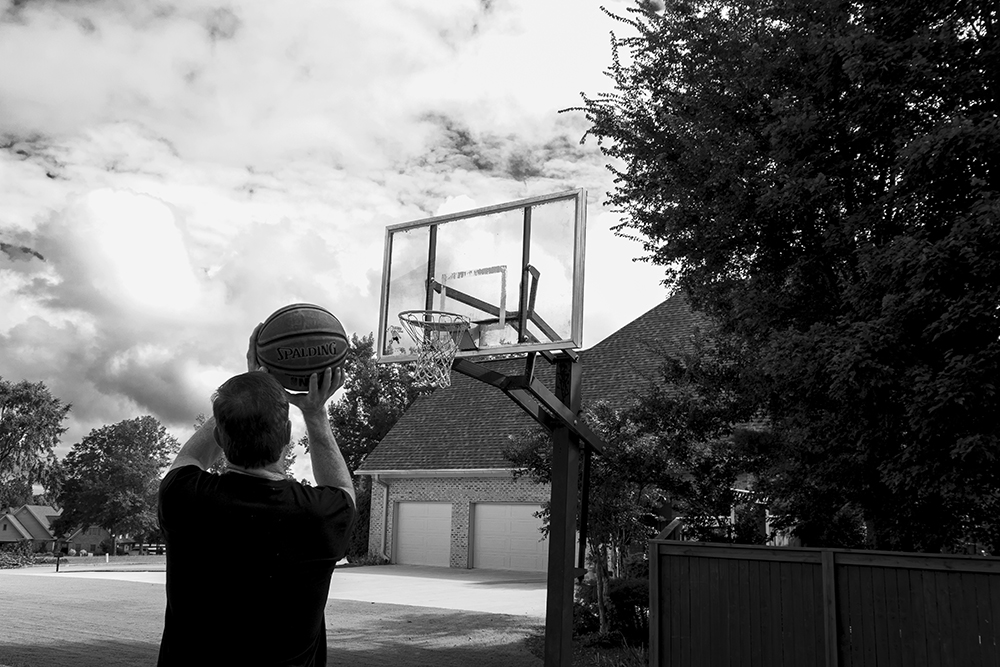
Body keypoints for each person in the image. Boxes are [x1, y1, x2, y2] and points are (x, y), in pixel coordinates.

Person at [156, 326, 357, 666]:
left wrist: (252, 386)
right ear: (289, 435)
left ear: (219, 435)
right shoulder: (319, 516)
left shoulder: (183, 499)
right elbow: (344, 490)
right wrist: (315, 412)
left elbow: (190, 458)